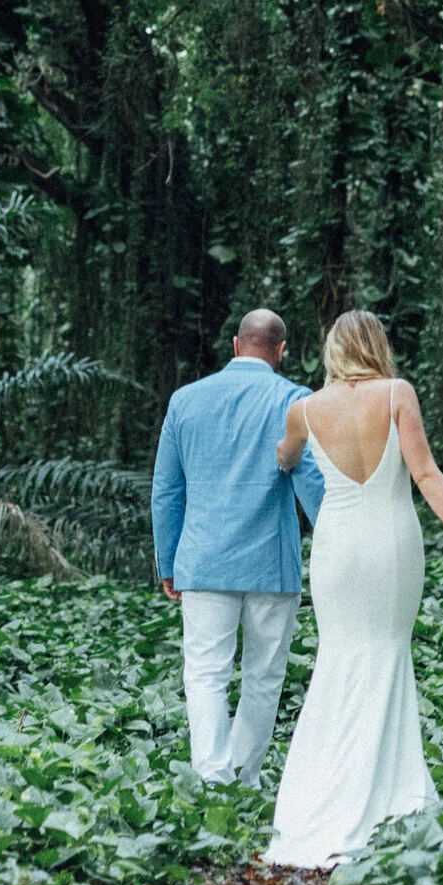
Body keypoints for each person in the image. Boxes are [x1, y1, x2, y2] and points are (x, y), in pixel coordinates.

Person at [264, 310, 443, 870]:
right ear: (377, 346)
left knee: (337, 659)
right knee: (388, 655)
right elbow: (426, 474)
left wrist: (290, 456)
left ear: (333, 350)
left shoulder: (305, 410)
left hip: (337, 548)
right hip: (392, 543)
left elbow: (284, 457)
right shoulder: (397, 392)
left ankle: (321, 799)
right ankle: (389, 797)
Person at [151, 308, 326, 789]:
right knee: (264, 678)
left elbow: (167, 491)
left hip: (204, 562)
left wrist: (168, 560)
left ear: (235, 345)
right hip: (271, 562)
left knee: (205, 673)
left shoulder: (185, 401)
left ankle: (212, 778)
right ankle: (245, 779)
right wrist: (337, 542)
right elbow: (313, 484)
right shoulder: (295, 400)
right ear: (281, 350)